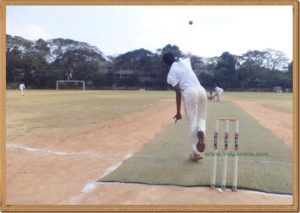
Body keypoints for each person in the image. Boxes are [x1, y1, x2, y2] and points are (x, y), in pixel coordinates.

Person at [162, 52, 207, 161]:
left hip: (190, 93)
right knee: (202, 118)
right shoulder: (185, 62)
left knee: (192, 122)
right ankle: (201, 130)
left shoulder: (171, 73)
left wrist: (178, 112)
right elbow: (189, 56)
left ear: (165, 64)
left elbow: (178, 92)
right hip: (201, 90)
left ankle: (195, 153)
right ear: (174, 58)